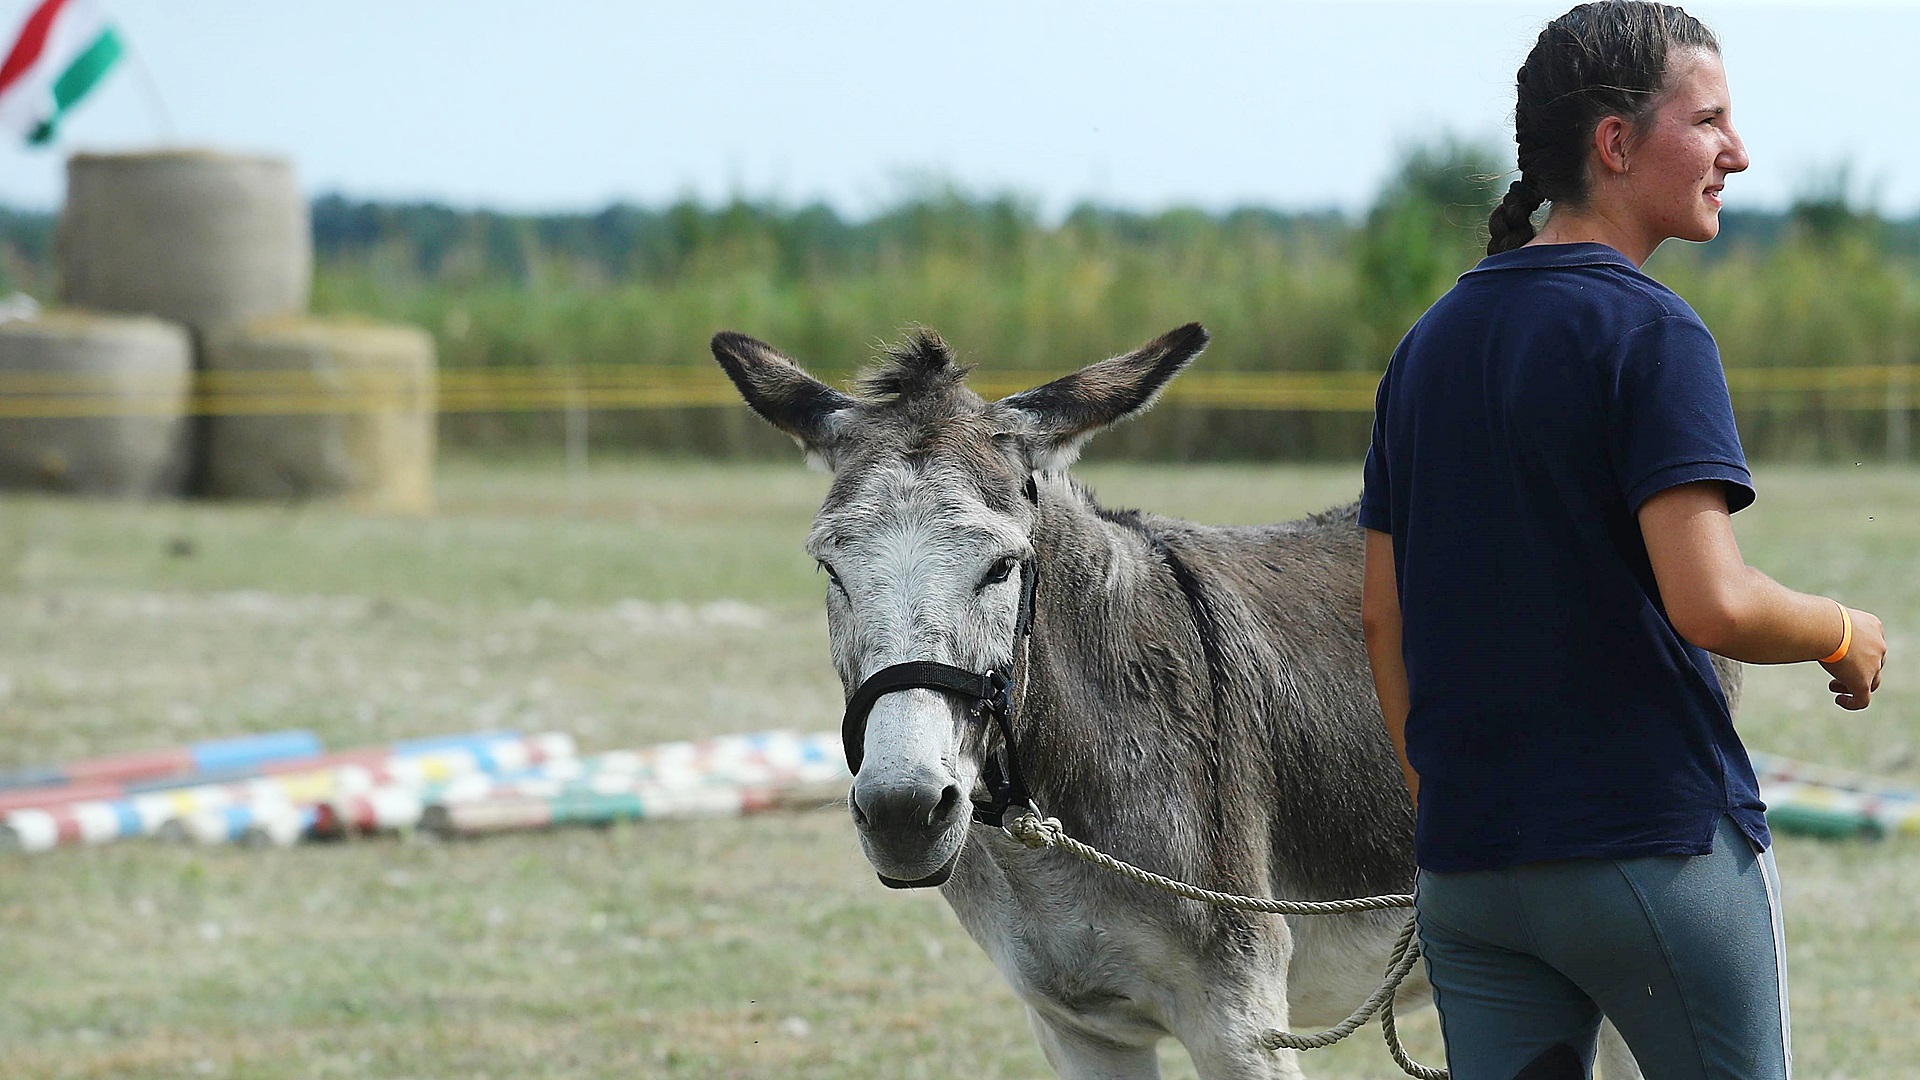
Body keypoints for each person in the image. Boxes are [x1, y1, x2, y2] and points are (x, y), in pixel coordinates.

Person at [1357, 3, 1889, 1078]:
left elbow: (1381, 615)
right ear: (1615, 143)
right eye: (1711, 121)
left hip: (1474, 871)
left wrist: (1449, 802)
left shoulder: (1428, 345)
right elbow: (1714, 604)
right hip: (1648, 847)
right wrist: (1843, 632)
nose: (1738, 151)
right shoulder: (1652, 330)